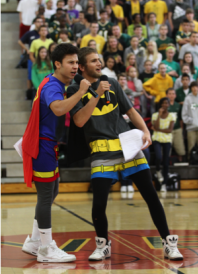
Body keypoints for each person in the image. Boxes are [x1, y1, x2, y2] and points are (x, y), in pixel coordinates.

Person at [67, 46, 183, 261]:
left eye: (99, 60)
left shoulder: (112, 84)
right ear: (82, 67)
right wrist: (97, 94)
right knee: (99, 204)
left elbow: (130, 111)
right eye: (93, 61)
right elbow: (80, 121)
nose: (99, 64)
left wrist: (146, 131)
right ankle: (103, 244)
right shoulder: (74, 90)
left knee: (151, 196)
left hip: (128, 148)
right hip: (102, 152)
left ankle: (168, 242)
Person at [21, 43, 91, 262]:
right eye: (70, 62)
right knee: (45, 196)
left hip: (47, 144)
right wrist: (81, 92)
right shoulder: (53, 85)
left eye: (77, 63)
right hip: (42, 145)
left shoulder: (53, 82)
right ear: (57, 64)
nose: (75, 67)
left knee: (53, 190)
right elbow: (59, 108)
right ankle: (45, 249)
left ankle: (34, 241)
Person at [152, 97, 175, 192]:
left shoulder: (172, 116)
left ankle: (164, 184)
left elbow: (170, 130)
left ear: (169, 105)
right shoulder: (155, 115)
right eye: (163, 103)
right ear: (161, 104)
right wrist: (159, 115)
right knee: (158, 157)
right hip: (157, 138)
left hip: (167, 139)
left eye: (167, 103)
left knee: (166, 162)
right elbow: (155, 126)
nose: (165, 105)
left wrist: (158, 130)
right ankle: (157, 170)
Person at [18, 16, 43, 90]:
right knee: (30, 75)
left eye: (41, 22)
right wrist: (26, 49)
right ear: (34, 23)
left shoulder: (44, 33)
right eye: (38, 21)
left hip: (43, 58)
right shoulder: (30, 33)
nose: (39, 23)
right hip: (32, 57)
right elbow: (20, 41)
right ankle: (29, 92)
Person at [167, 88, 186, 162]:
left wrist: (181, 128)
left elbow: (181, 119)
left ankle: (180, 162)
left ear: (175, 95)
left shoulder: (178, 105)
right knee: (167, 149)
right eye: (170, 94)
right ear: (167, 95)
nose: (171, 95)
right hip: (167, 130)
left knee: (180, 148)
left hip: (177, 128)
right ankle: (167, 163)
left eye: (173, 94)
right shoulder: (164, 105)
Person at [182, 82, 198, 159]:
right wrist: (191, 121)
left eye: (196, 87)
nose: (195, 88)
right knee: (191, 148)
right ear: (191, 88)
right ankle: (191, 163)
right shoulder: (188, 98)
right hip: (191, 129)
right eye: (193, 87)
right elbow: (184, 114)